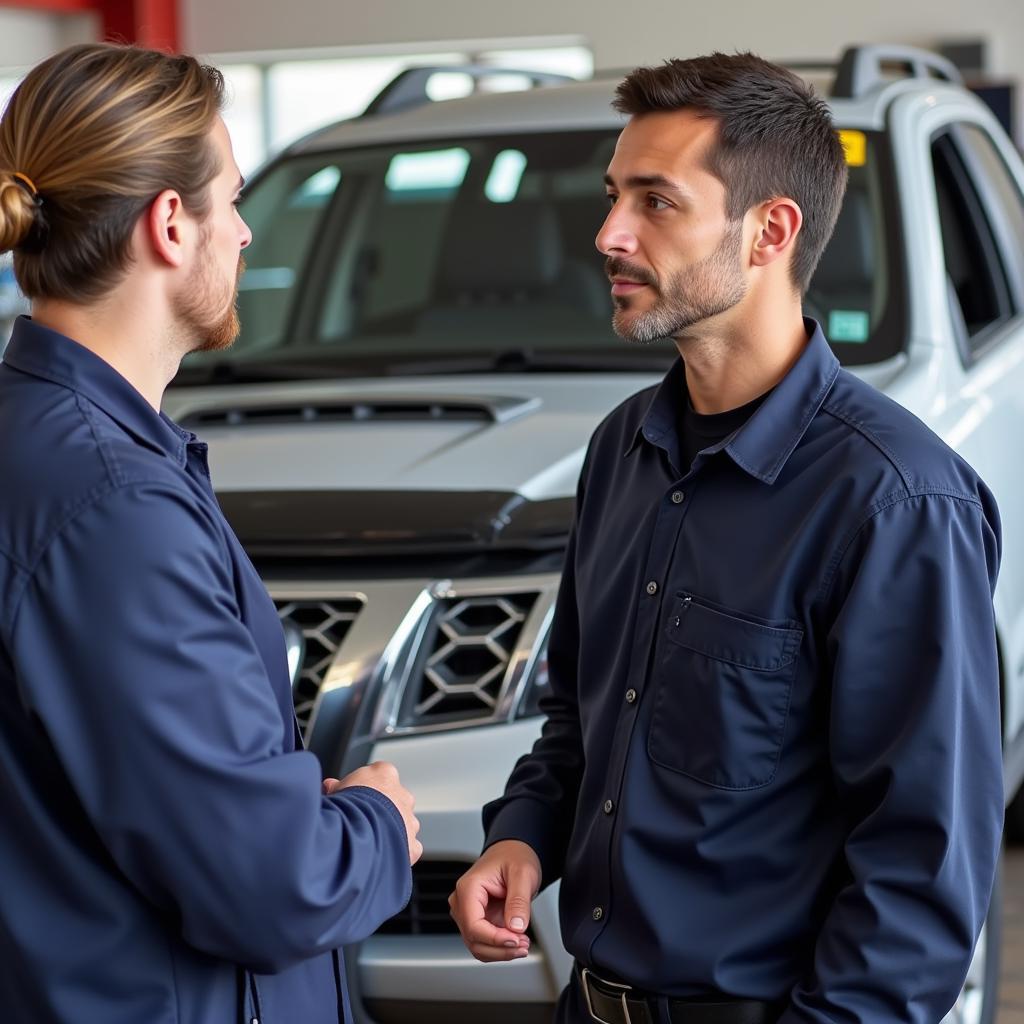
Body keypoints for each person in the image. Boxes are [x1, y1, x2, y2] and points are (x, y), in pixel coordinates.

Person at [449, 52, 1004, 1024]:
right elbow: (581, 716)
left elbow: (919, 864)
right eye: (613, 194)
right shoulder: (620, 450)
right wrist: (524, 833)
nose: (608, 233)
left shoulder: (895, 500)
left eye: (655, 202)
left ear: (769, 232)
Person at [0, 43, 420, 1024]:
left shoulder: (42, 446)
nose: (241, 234)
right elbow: (272, 887)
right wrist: (373, 820)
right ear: (169, 222)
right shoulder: (111, 508)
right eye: (231, 200)